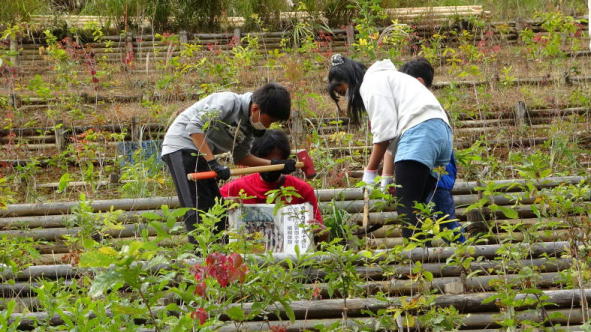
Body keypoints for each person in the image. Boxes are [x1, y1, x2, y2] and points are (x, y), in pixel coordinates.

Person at [327, 54, 452, 241]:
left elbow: (384, 132)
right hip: (440, 134)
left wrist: (369, 171)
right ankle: (427, 259)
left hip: (420, 133)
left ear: (349, 79)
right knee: (419, 205)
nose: (346, 96)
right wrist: (386, 177)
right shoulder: (389, 79)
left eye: (342, 90)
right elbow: (394, 137)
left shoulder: (372, 83)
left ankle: (414, 264)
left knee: (407, 205)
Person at [161, 83, 296, 243]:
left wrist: (275, 164)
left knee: (216, 212)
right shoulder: (229, 101)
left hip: (202, 155)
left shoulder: (248, 126)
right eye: (270, 120)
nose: (268, 126)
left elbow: (241, 157)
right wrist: (213, 163)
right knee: (198, 210)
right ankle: (201, 258)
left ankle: (218, 257)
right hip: (181, 147)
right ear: (255, 109)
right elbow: (194, 127)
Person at [381, 58, 465, 243]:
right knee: (417, 216)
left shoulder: (426, 110)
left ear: (417, 82)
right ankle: (424, 262)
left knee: (445, 220)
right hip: (428, 173)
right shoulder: (421, 108)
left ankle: (465, 257)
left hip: (437, 176)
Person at [220, 130, 327, 242]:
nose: (270, 166)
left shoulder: (302, 190)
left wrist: (322, 232)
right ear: (255, 160)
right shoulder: (234, 189)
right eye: (265, 160)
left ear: (285, 160)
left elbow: (321, 238)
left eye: (276, 161)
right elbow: (209, 211)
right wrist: (224, 203)